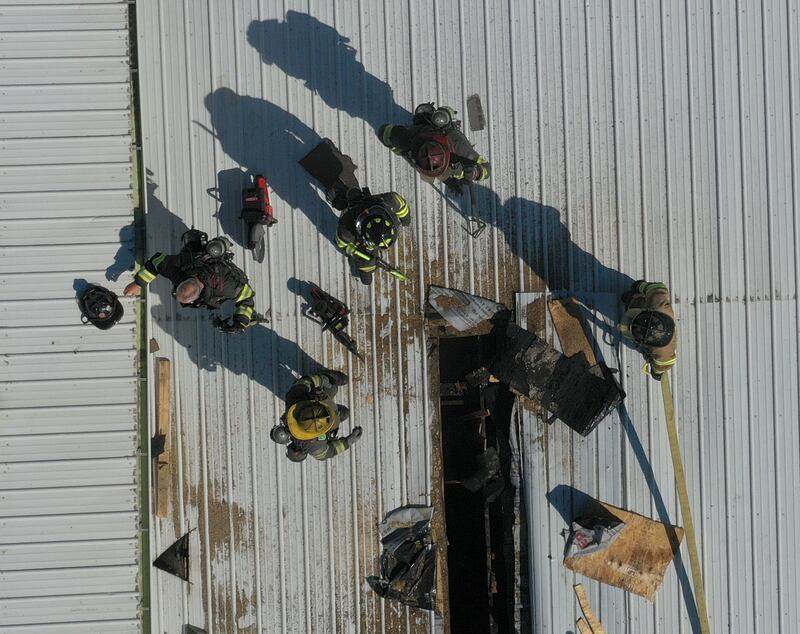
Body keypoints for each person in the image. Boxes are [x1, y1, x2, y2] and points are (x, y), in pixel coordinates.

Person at [123, 229, 256, 333]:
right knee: (190, 238)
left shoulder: (225, 286)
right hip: (197, 263)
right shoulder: (177, 269)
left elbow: (248, 297)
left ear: (197, 296)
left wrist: (241, 320)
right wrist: (138, 283)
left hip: (226, 275)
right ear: (183, 281)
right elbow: (156, 261)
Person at [378, 102, 490, 192]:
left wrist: (475, 172)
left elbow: (486, 168)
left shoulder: (457, 144)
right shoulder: (409, 138)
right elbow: (384, 132)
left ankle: (449, 118)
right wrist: (399, 149)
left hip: (452, 148)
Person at [270, 370, 362, 462]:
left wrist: (322, 380)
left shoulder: (294, 397)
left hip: (322, 400)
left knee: (333, 386)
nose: (316, 417)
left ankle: (327, 375)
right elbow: (332, 450)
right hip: (331, 417)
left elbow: (305, 382)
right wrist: (350, 440)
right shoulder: (315, 448)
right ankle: (335, 412)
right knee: (345, 413)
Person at [335, 187, 410, 285]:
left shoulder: (389, 201)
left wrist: (406, 219)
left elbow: (402, 206)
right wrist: (357, 252)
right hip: (363, 240)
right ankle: (366, 271)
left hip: (370, 210)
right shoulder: (346, 230)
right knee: (366, 273)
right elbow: (341, 244)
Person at [620, 280, 677, 380]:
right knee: (636, 302)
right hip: (648, 308)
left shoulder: (663, 351)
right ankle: (633, 301)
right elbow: (657, 288)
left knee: (633, 302)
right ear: (649, 313)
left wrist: (657, 371)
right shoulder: (659, 305)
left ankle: (632, 301)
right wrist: (641, 286)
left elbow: (664, 363)